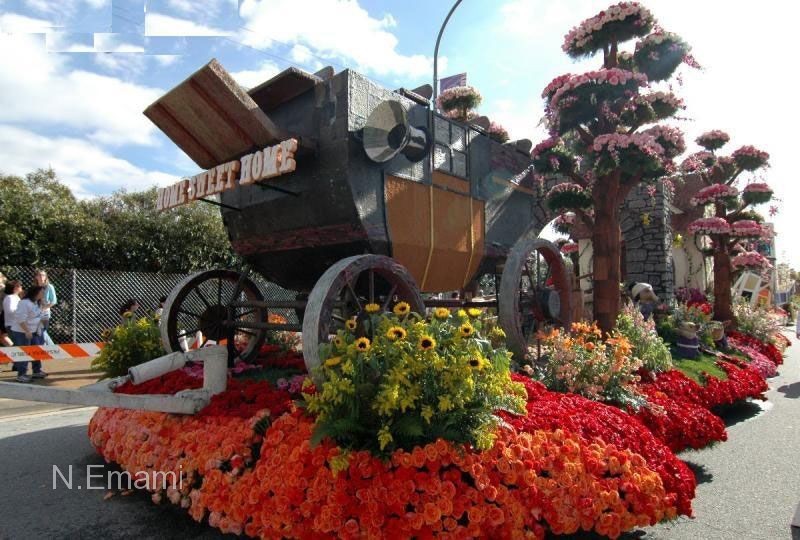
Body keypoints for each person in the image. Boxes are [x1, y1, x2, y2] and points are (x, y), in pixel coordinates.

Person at [9, 285, 49, 382]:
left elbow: (39, 316)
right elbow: (20, 319)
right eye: (42, 292)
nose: (43, 294)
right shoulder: (24, 303)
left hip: (34, 330)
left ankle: (37, 371)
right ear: (35, 293)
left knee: (36, 350)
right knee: (24, 353)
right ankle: (21, 375)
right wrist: (27, 331)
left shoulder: (37, 302)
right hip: (22, 332)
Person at [34, 269, 56, 345]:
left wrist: (43, 308)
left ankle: (52, 347)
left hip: (44, 313)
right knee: (39, 333)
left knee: (42, 331)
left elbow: (53, 301)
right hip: (34, 313)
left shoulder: (49, 287)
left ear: (46, 277)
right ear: (36, 277)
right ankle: (47, 348)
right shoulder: (35, 288)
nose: (41, 277)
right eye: (39, 275)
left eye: (43, 275)